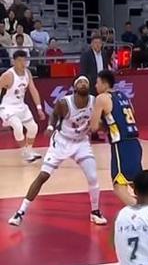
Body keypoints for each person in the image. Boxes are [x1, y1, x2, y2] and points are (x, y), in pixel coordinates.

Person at [8, 76, 106, 226]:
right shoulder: (65, 103)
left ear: (89, 87)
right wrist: (50, 127)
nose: (83, 84)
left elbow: (101, 121)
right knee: (43, 176)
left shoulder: (95, 102)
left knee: (93, 177)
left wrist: (101, 126)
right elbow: (54, 115)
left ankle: (95, 212)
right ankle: (20, 212)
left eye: (85, 82)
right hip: (62, 142)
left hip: (81, 142)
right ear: (74, 87)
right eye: (79, 82)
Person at [90, 70, 143, 205]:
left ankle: (142, 212)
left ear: (104, 83)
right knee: (136, 184)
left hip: (121, 145)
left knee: (119, 187)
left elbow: (93, 127)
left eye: (97, 82)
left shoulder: (102, 98)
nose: (95, 86)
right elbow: (132, 114)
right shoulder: (123, 95)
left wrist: (97, 121)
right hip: (135, 144)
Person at [0, 50, 45, 162]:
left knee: (33, 128)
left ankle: (29, 150)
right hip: (8, 107)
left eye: (24, 60)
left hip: (21, 106)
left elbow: (33, 90)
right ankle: (25, 152)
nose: (22, 63)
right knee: (18, 127)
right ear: (14, 61)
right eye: (19, 60)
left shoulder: (27, 73)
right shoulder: (8, 75)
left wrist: (39, 108)